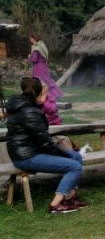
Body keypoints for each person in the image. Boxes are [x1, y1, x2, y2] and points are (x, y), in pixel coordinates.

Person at [6, 77, 87, 213]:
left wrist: (68, 153)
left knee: (76, 156)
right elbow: (45, 143)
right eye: (44, 93)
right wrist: (65, 154)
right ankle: (55, 205)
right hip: (26, 157)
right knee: (75, 166)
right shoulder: (30, 112)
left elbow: (41, 140)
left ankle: (70, 196)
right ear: (38, 93)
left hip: (30, 152)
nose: (47, 96)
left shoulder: (25, 107)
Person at [27, 34, 62, 125]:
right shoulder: (42, 46)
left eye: (30, 38)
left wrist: (29, 57)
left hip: (38, 68)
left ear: (33, 38)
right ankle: (52, 96)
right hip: (43, 67)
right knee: (47, 81)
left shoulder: (36, 48)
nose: (30, 40)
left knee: (40, 83)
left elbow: (34, 60)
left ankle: (44, 98)